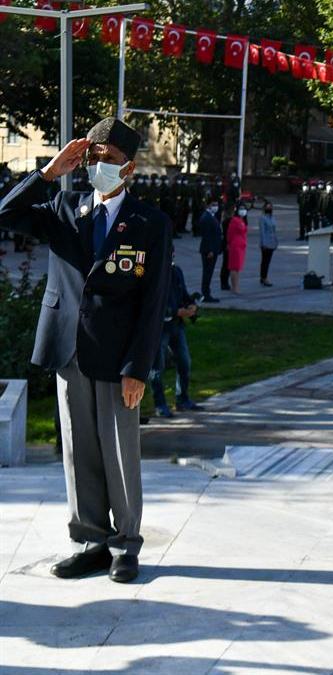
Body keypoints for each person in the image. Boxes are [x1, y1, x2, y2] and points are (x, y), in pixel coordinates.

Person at [0, 117, 172, 584]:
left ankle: (125, 546)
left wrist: (140, 366)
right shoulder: (63, 205)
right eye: (92, 156)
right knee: (77, 450)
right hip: (67, 348)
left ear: (129, 167)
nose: (98, 165)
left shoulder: (149, 223)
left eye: (109, 159)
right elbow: (4, 215)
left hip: (119, 359)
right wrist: (47, 174)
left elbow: (154, 301)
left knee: (120, 452)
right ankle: (91, 540)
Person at [150, 253, 203, 417]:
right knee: (157, 367)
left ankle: (182, 398)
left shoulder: (176, 271)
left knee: (184, 362)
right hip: (160, 327)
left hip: (177, 326)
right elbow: (154, 303)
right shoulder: (153, 274)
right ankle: (160, 404)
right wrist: (175, 311)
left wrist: (191, 306)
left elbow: (183, 294)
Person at [197, 198, 223, 302]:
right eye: (213, 204)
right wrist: (210, 250)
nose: (216, 206)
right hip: (209, 251)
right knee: (207, 272)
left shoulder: (211, 216)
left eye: (217, 204)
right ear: (208, 206)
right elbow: (207, 236)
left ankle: (206, 293)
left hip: (213, 249)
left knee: (209, 272)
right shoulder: (206, 218)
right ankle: (206, 294)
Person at [225, 203, 248, 294]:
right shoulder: (234, 221)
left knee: (237, 267)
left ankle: (236, 285)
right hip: (235, 245)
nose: (243, 210)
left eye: (244, 208)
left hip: (241, 245)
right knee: (234, 267)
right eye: (241, 208)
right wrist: (229, 243)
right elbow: (229, 234)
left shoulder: (242, 220)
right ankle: (235, 287)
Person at [258, 201, 278, 286]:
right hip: (265, 242)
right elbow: (262, 232)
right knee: (265, 261)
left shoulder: (273, 218)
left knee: (268, 261)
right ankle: (264, 277)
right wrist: (263, 243)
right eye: (267, 207)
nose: (269, 208)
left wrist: (276, 241)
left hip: (272, 241)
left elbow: (274, 230)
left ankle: (263, 277)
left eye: (270, 207)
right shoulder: (262, 218)